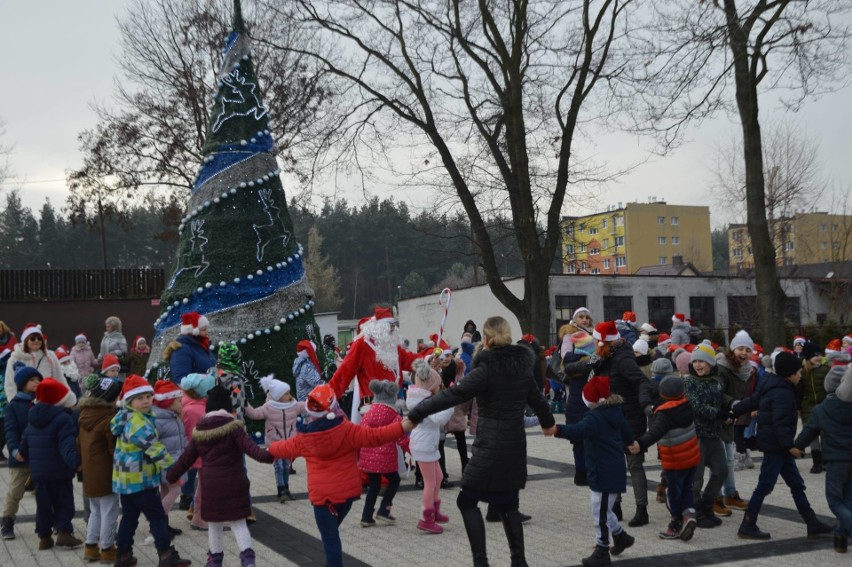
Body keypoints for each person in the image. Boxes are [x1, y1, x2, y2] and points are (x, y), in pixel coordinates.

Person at [405, 315, 555, 567]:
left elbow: (453, 394)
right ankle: (519, 562)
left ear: (484, 340)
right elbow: (538, 400)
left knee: (467, 501)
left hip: (491, 446)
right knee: (509, 504)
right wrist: (548, 423)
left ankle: (481, 562)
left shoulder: (486, 370)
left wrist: (416, 413)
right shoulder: (521, 369)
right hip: (515, 447)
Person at [267, 383, 413, 567]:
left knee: (330, 540)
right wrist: (402, 427)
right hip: (347, 496)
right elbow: (376, 436)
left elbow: (281, 447)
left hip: (323, 499)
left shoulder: (304, 439)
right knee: (331, 534)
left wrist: (267, 451)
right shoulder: (347, 430)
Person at [166, 385, 273, 567]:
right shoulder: (235, 429)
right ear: (228, 407)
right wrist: (275, 452)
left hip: (211, 488)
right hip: (235, 485)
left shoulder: (200, 433)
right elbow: (256, 452)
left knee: (214, 524)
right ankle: (248, 560)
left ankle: (215, 560)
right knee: (238, 523)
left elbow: (185, 460)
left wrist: (170, 476)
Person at [731, 351, 833, 541]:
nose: (800, 375)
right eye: (798, 372)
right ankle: (748, 524)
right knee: (764, 486)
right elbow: (781, 423)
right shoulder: (784, 393)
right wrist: (790, 446)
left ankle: (812, 522)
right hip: (776, 447)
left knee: (796, 484)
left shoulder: (769, 384)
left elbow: (753, 401)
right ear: (791, 374)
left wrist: (732, 409)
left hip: (777, 446)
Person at [110, 375, 191, 567]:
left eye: (148, 396)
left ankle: (123, 555)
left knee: (129, 517)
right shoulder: (138, 422)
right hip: (140, 478)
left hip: (126, 479)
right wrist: (173, 468)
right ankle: (166, 555)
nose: (146, 401)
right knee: (157, 517)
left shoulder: (127, 417)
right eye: (140, 398)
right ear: (130, 401)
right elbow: (154, 448)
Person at [554, 376, 635, 567]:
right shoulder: (613, 411)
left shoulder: (595, 417)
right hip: (607, 469)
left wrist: (556, 429)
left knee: (600, 511)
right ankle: (620, 537)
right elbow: (625, 429)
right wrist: (631, 442)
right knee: (602, 509)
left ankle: (602, 549)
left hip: (604, 470)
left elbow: (578, 431)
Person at [591, 321, 653, 527]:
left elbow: (643, 381)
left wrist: (644, 403)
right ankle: (616, 505)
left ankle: (641, 509)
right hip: (612, 418)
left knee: (634, 463)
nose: (594, 345)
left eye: (596, 341)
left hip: (630, 417)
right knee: (614, 463)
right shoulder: (606, 357)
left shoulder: (622, 359)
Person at [631, 375, 700, 541]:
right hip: (692, 457)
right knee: (687, 488)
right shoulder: (688, 404)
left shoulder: (665, 413)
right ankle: (690, 514)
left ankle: (676, 523)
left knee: (673, 493)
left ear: (662, 394)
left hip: (675, 460)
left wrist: (639, 444)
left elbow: (654, 433)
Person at [792, 365, 852, 553]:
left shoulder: (822, 409)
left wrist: (797, 446)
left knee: (834, 500)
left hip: (835, 461)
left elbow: (809, 432)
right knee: (848, 499)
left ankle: (847, 525)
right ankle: (841, 537)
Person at [19, 377, 81, 551]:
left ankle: (44, 537)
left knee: (43, 503)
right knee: (64, 501)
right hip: (60, 470)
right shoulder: (63, 419)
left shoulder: (32, 416)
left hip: (39, 472)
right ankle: (64, 532)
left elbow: (25, 438)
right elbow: (66, 444)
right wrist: (75, 462)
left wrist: (21, 453)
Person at [328, 306, 418, 419]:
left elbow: (411, 360)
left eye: (394, 326)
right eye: (390, 325)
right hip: (372, 408)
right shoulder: (362, 345)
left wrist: (428, 359)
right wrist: (328, 397)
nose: (393, 329)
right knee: (377, 436)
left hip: (394, 407)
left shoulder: (393, 347)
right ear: (380, 327)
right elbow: (343, 374)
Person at [683, 341, 729, 529]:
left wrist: (729, 411)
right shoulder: (688, 381)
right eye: (695, 362)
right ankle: (697, 510)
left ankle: (707, 503)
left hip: (714, 434)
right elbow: (696, 405)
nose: (698, 365)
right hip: (696, 435)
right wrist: (718, 414)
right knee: (697, 476)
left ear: (711, 363)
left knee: (721, 471)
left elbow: (722, 400)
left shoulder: (718, 381)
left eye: (702, 361)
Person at [77, 376, 122, 563]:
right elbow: (114, 450)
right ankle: (107, 549)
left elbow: (79, 444)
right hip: (106, 473)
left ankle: (90, 547)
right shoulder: (109, 419)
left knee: (95, 512)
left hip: (90, 473)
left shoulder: (84, 415)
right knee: (110, 512)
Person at [407, 359, 454, 534]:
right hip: (424, 444)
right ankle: (426, 518)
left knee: (439, 476)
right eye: (437, 384)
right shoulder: (424, 402)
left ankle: (434, 511)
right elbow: (439, 419)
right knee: (430, 482)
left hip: (427, 443)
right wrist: (450, 404)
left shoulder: (422, 398)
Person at [244, 375, 305, 502]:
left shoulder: (294, 405)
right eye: (286, 393)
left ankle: (286, 489)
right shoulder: (269, 407)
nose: (289, 395)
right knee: (279, 466)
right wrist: (245, 404)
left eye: (288, 393)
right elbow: (255, 414)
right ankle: (281, 490)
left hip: (289, 443)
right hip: (274, 443)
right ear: (277, 396)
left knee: (286, 466)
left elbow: (307, 406)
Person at [714, 331, 754, 514]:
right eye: (740, 348)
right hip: (716, 418)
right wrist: (733, 403)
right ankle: (714, 497)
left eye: (747, 349)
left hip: (729, 418)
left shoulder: (744, 370)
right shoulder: (722, 368)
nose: (744, 352)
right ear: (733, 349)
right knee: (719, 462)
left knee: (729, 460)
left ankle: (730, 494)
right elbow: (718, 393)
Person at [1, 366, 42, 540]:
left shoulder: (42, 403)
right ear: (22, 383)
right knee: (15, 491)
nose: (37, 383)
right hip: (20, 456)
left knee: (45, 491)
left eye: (38, 379)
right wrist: (14, 450)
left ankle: (48, 523)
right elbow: (10, 431)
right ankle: (7, 521)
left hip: (41, 455)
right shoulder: (14, 406)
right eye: (32, 380)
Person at [358, 379, 404, 527]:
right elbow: (400, 434)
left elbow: (361, 432)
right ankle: (384, 509)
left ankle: (366, 516)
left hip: (368, 456)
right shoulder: (394, 415)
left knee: (374, 485)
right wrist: (410, 448)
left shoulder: (368, 412)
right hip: (385, 457)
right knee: (394, 480)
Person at [558, 330, 598, 486]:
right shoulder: (589, 365)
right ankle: (589, 472)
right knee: (589, 442)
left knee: (577, 444)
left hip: (573, 408)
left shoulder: (569, 361)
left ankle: (580, 474)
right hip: (586, 407)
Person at [178, 372, 215, 529]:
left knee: (202, 486)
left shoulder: (193, 405)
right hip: (201, 454)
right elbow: (195, 436)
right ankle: (200, 518)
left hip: (201, 453)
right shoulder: (195, 410)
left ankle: (199, 516)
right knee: (204, 487)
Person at [151, 380, 187, 537]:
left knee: (166, 491)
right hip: (166, 463)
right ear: (168, 402)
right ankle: (157, 524)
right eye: (179, 401)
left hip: (175, 461)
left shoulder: (174, 416)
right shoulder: (159, 420)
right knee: (175, 490)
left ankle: (163, 524)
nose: (182, 404)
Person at [4, 323, 64, 398]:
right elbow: (10, 385)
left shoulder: (50, 356)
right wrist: (15, 403)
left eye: (39, 338)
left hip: (47, 401)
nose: (36, 341)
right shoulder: (15, 358)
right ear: (26, 340)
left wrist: (65, 400)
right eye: (32, 338)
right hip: (23, 403)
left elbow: (60, 379)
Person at [798, 341, 829, 474]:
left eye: (819, 355)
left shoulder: (826, 368)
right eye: (814, 355)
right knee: (813, 436)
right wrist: (799, 406)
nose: (818, 357)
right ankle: (816, 462)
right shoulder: (803, 371)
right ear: (807, 357)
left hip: (824, 406)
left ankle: (826, 461)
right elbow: (799, 390)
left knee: (825, 434)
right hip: (808, 407)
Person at [169, 312, 217, 386]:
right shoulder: (182, 350)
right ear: (194, 331)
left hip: (209, 394)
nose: (207, 332)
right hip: (196, 396)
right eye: (203, 330)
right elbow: (180, 379)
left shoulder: (203, 346)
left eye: (207, 329)